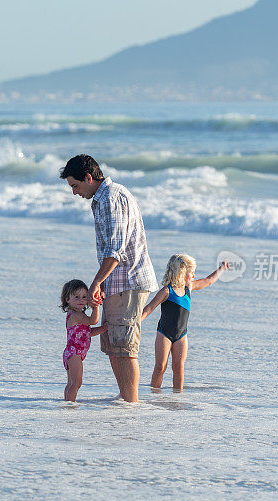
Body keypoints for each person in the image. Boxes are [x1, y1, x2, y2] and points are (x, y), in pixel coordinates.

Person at [61, 154, 159, 403]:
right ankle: (126, 400)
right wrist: (102, 283)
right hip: (116, 282)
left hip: (128, 280)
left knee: (125, 348)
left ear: (89, 177)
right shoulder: (105, 198)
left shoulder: (111, 198)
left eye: (75, 185)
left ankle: (131, 403)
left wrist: (95, 282)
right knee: (114, 346)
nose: (74, 192)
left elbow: (116, 249)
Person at [141, 254, 229, 392]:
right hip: (164, 333)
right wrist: (137, 322)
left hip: (182, 335)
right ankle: (154, 394)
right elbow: (149, 308)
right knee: (160, 366)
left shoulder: (189, 288)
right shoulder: (166, 291)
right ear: (181, 272)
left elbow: (208, 281)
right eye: (191, 273)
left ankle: (177, 395)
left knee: (179, 367)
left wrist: (222, 268)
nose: (194, 276)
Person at [59, 279, 107, 402]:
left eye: (84, 297)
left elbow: (87, 333)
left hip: (72, 353)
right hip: (74, 353)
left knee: (71, 383)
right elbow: (93, 321)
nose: (81, 300)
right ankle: (70, 405)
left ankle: (67, 403)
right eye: (76, 297)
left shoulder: (77, 315)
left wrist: (104, 328)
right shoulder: (76, 315)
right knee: (76, 383)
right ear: (67, 299)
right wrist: (96, 307)